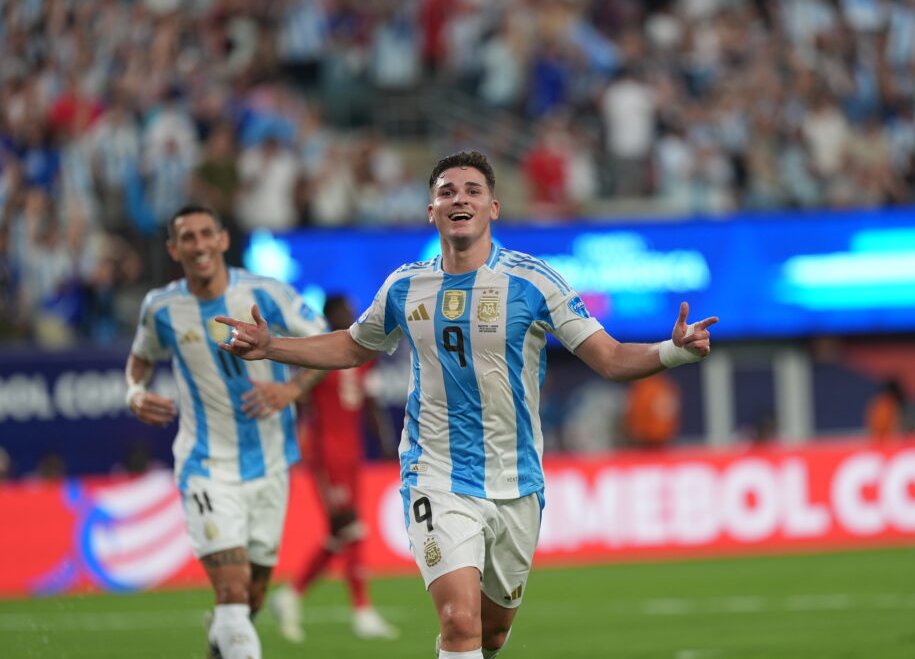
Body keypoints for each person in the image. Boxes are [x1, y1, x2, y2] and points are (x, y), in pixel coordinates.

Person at [216, 151, 718, 659]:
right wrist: (270, 345)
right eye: (447, 192)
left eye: (472, 191)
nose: (460, 199)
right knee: (460, 623)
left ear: (493, 207)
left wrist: (672, 350)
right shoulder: (405, 285)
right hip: (436, 475)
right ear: (430, 210)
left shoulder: (534, 282)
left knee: (492, 634)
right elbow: (351, 345)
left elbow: (609, 357)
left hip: (517, 483)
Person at [125, 204, 328, 659]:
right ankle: (229, 628)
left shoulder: (266, 292)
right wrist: (134, 393)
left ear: (221, 240)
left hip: (271, 464)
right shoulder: (161, 308)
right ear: (174, 249)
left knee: (250, 598)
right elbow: (139, 361)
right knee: (233, 593)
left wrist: (290, 389)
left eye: (205, 234)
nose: (198, 245)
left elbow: (326, 341)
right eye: (187, 238)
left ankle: (222, 639)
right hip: (206, 466)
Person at [270, 295, 400, 642]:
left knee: (346, 532)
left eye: (351, 309)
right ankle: (357, 610)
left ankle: (294, 596)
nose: (350, 315)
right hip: (326, 455)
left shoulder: (365, 356)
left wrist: (386, 446)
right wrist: (295, 444)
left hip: (353, 456)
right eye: (343, 311)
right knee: (350, 528)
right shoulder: (319, 356)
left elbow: (370, 403)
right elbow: (299, 403)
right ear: (330, 316)